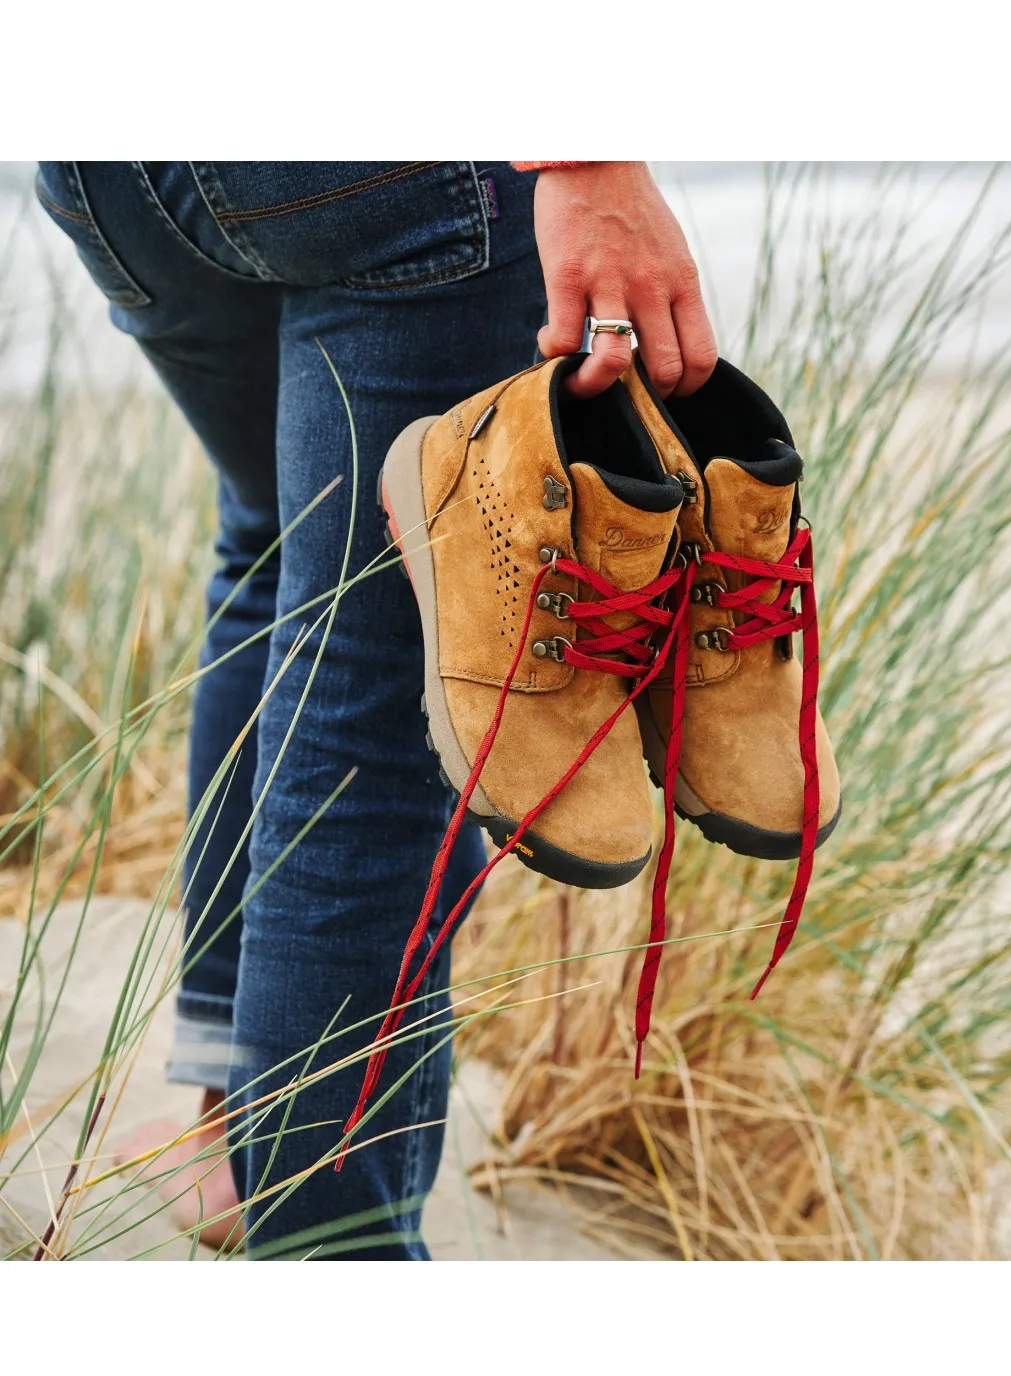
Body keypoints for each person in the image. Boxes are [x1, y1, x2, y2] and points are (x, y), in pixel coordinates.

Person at [36, 160, 718, 1259]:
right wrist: (590, 158)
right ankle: (332, 1256)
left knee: (280, 549)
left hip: (115, 172)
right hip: (385, 170)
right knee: (380, 671)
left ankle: (226, 1129)